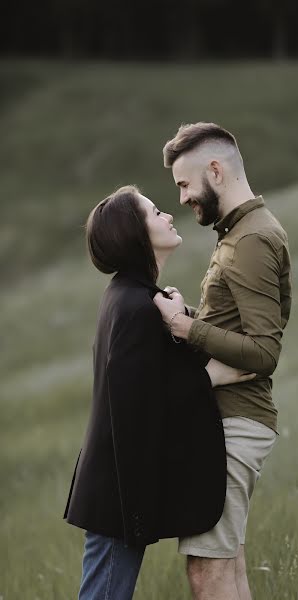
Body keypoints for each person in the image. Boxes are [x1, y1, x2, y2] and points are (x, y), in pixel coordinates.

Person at [63, 185, 257, 600]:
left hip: (115, 487)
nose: (168, 215)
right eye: (155, 212)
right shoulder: (135, 306)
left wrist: (183, 319)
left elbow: (149, 375)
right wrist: (212, 378)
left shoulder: (132, 296)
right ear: (135, 233)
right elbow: (137, 403)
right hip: (118, 494)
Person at [153, 122, 292, 600]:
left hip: (235, 424)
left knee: (207, 570)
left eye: (185, 184)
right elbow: (236, 328)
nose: (184, 198)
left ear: (215, 169)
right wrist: (190, 314)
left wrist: (185, 327)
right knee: (224, 563)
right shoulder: (238, 232)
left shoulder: (251, 238)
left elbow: (263, 352)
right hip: (227, 421)